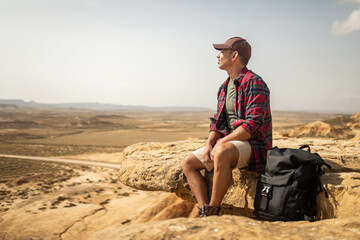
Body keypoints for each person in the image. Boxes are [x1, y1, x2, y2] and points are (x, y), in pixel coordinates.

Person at [181, 37, 272, 217]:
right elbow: (218, 121)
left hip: (253, 144)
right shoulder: (224, 87)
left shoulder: (254, 82)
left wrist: (221, 143)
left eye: (222, 52)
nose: (218, 56)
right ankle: (204, 208)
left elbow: (251, 127)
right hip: (231, 142)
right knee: (188, 163)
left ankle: (214, 210)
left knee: (221, 151)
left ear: (234, 56)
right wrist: (209, 144)